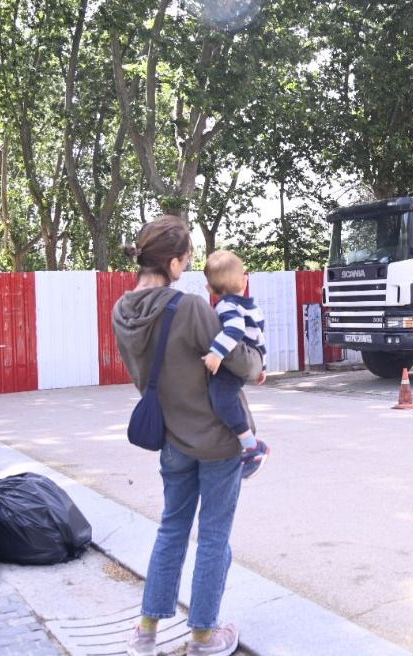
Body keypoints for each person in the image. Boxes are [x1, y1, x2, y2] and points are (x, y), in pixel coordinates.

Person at [112, 215, 264, 656]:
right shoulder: (190, 307)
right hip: (217, 442)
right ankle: (202, 635)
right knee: (214, 536)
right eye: (187, 259)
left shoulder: (122, 312)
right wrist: (256, 358)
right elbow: (241, 362)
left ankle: (145, 632)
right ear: (176, 263)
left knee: (171, 530)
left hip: (171, 439)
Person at [202, 249, 270, 478]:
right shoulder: (252, 306)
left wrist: (216, 353)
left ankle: (252, 447)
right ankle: (248, 441)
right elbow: (260, 337)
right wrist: (264, 366)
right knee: (229, 399)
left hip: (234, 363)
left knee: (222, 400)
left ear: (210, 289)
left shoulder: (226, 306)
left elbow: (235, 330)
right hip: (251, 359)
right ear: (245, 280)